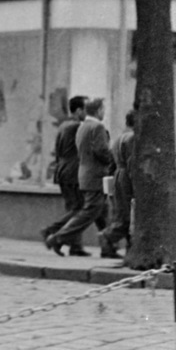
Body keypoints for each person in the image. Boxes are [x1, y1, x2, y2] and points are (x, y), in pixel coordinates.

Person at [47, 97, 114, 256]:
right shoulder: (96, 127)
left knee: (101, 211)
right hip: (94, 176)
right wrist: (113, 159)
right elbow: (101, 151)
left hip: (83, 174)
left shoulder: (83, 127)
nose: (104, 113)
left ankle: (108, 247)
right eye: (103, 109)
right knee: (89, 211)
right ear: (98, 111)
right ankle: (57, 238)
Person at [43, 95, 87, 252]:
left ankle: (75, 245)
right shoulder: (77, 126)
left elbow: (57, 151)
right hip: (73, 172)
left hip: (62, 170)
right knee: (80, 209)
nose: (87, 114)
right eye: (85, 109)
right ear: (79, 110)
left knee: (72, 208)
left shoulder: (63, 125)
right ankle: (51, 230)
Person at [101, 110, 136, 258]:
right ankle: (107, 238)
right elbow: (133, 162)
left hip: (118, 175)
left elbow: (112, 163)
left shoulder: (119, 138)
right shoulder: (132, 138)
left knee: (122, 212)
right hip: (128, 177)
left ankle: (127, 247)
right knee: (130, 214)